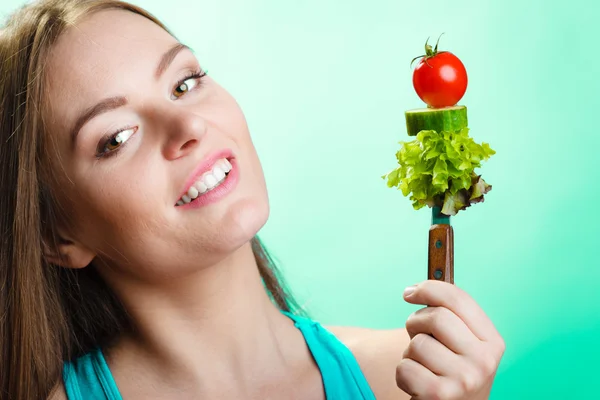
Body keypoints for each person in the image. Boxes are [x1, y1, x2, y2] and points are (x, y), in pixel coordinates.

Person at [0, 0, 505, 399]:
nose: (189, 125)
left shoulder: (413, 379)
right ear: (55, 235)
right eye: (116, 138)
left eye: (184, 83)